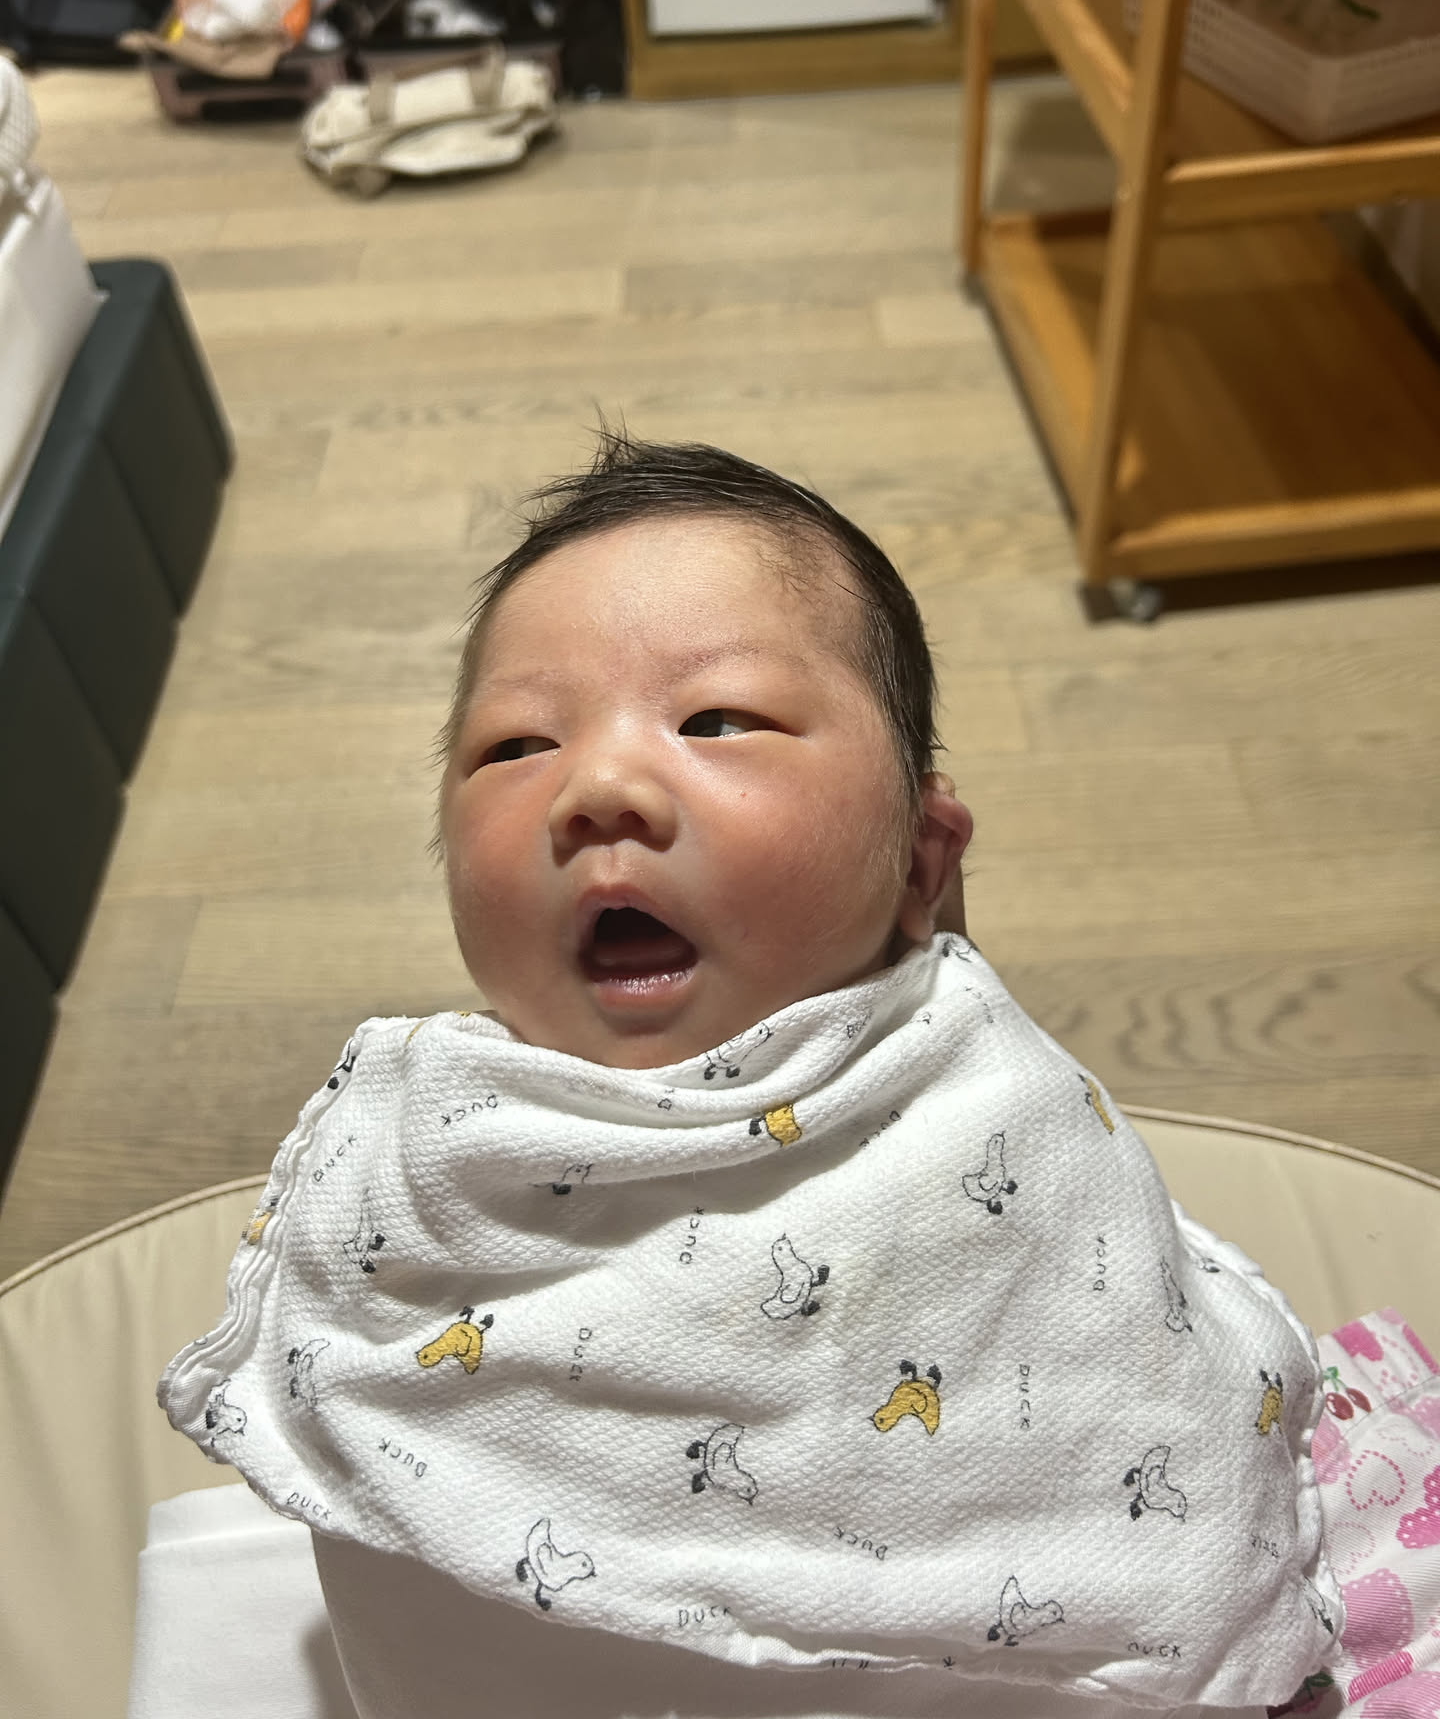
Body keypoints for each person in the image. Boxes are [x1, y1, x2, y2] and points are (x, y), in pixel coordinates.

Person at [156, 432, 1342, 1719]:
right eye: (513, 746)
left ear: (920, 860)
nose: (597, 788)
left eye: (717, 719)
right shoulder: (427, 1155)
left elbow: (1132, 1393)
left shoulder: (984, 1105)